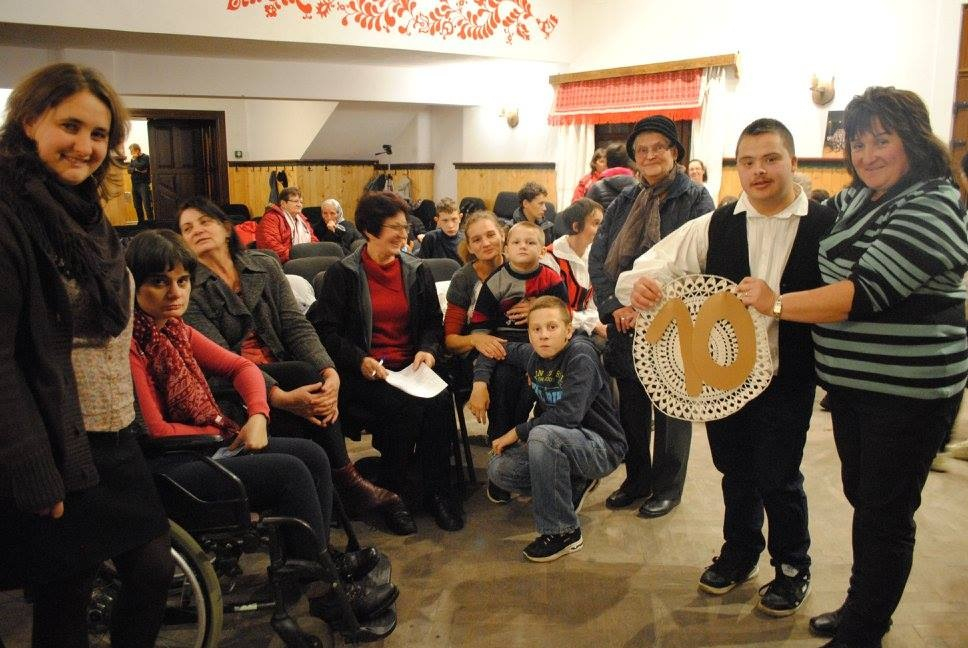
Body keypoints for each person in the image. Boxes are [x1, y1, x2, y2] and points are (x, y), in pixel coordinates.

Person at [736, 87, 968, 648]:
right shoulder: (858, 198)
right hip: (853, 387)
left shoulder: (932, 204)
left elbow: (862, 293)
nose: (868, 155)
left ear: (914, 140)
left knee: (886, 514)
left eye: (882, 141)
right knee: (864, 500)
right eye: (859, 144)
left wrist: (776, 304)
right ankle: (863, 606)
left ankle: (864, 629)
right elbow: (807, 225)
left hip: (908, 389)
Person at [616, 118, 837, 618]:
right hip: (723, 378)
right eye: (748, 162)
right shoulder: (717, 224)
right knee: (734, 469)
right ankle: (740, 552)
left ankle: (792, 565)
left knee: (779, 474)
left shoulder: (826, 225)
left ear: (793, 162)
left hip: (789, 372)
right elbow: (647, 269)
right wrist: (641, 287)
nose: (759, 171)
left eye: (771, 159)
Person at [125, 229, 398, 621]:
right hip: (170, 464)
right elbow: (155, 430)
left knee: (312, 455)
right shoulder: (131, 342)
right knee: (289, 471)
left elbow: (243, 368)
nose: (175, 292)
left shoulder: (174, 329)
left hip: (204, 446)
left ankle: (316, 563)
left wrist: (257, 415)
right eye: (159, 282)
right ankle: (325, 592)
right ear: (133, 284)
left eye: (182, 281)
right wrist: (223, 431)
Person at [0, 62, 173, 648]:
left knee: (152, 570)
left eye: (98, 134)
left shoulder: (88, 213)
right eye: (70, 126)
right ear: (30, 121)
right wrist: (32, 468)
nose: (85, 146)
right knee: (66, 598)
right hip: (50, 439)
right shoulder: (9, 213)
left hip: (113, 434)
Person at [177, 197, 409, 535]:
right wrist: (280, 397)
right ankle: (347, 481)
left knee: (312, 377)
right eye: (187, 229)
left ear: (227, 229)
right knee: (302, 380)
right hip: (232, 389)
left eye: (204, 222)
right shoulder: (187, 289)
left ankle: (331, 507)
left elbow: (295, 326)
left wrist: (330, 371)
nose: (196, 231)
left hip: (284, 369)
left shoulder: (264, 266)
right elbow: (222, 360)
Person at [309, 191, 464, 533]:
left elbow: (432, 323)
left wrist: (428, 349)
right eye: (394, 227)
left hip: (411, 367)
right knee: (403, 406)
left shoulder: (416, 270)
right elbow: (326, 332)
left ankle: (437, 492)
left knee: (438, 402)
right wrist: (360, 360)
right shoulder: (343, 274)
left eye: (405, 226)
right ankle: (393, 495)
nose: (403, 234)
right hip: (366, 373)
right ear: (369, 230)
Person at [589, 114, 714, 518]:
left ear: (675, 152)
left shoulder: (696, 199)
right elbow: (598, 258)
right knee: (633, 409)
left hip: (674, 322)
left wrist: (655, 306)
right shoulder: (625, 200)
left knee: (673, 407)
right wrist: (615, 306)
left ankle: (668, 487)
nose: (649, 155)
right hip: (625, 322)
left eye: (658, 147)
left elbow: (702, 264)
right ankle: (637, 479)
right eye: (641, 150)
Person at [469, 297, 626, 562]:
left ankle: (564, 532)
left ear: (568, 330)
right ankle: (574, 480)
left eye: (552, 327)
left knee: (542, 435)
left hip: (601, 447)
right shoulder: (533, 354)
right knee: (499, 469)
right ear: (529, 334)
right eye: (536, 329)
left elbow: (568, 416)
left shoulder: (581, 355)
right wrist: (479, 383)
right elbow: (492, 349)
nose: (543, 335)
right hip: (562, 443)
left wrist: (517, 432)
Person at [547, 198, 607, 343]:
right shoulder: (550, 258)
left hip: (583, 328)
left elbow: (592, 304)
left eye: (602, 224)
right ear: (576, 226)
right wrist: (592, 324)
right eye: (596, 223)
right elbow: (551, 310)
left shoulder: (594, 255)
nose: (602, 229)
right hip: (557, 331)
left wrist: (596, 323)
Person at [257, 185, 319, 263]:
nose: (299, 205)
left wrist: (313, 253)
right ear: (283, 203)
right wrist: (296, 256)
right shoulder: (271, 218)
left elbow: (313, 239)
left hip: (303, 258)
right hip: (283, 262)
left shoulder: (302, 219)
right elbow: (270, 245)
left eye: (301, 202)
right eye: (296, 201)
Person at [586, 143, 636, 213]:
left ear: (607, 162)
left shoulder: (596, 187)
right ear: (628, 161)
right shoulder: (640, 187)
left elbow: (587, 215)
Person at [417, 197, 463, 264]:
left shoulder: (466, 240)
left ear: (460, 218)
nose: (450, 225)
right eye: (445, 220)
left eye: (454, 219)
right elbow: (421, 265)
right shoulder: (430, 238)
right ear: (437, 221)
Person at [127, 142, 153, 223]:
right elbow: (128, 170)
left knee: (147, 206)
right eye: (131, 152)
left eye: (132, 151)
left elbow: (141, 167)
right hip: (134, 185)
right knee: (137, 206)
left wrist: (134, 162)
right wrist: (135, 169)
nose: (131, 154)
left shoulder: (146, 157)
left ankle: (151, 224)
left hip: (143, 185)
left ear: (137, 150)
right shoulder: (133, 159)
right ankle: (141, 224)